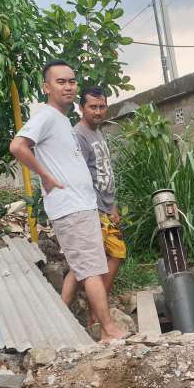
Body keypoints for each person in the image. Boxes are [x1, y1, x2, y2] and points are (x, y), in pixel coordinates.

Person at [9, 60, 127, 342]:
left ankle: (63, 324)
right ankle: (109, 331)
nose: (68, 86)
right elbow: (18, 146)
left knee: (85, 267)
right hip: (71, 207)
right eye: (61, 82)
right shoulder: (47, 116)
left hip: (83, 205)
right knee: (90, 270)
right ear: (46, 87)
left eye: (72, 81)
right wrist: (45, 176)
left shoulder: (61, 120)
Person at [70, 86, 126, 296]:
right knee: (90, 264)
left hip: (106, 208)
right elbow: (79, 176)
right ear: (81, 108)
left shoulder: (97, 132)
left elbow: (105, 171)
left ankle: (98, 307)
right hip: (92, 209)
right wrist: (91, 210)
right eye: (92, 107)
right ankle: (92, 311)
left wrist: (113, 206)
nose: (98, 111)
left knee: (116, 253)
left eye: (102, 106)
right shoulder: (79, 135)